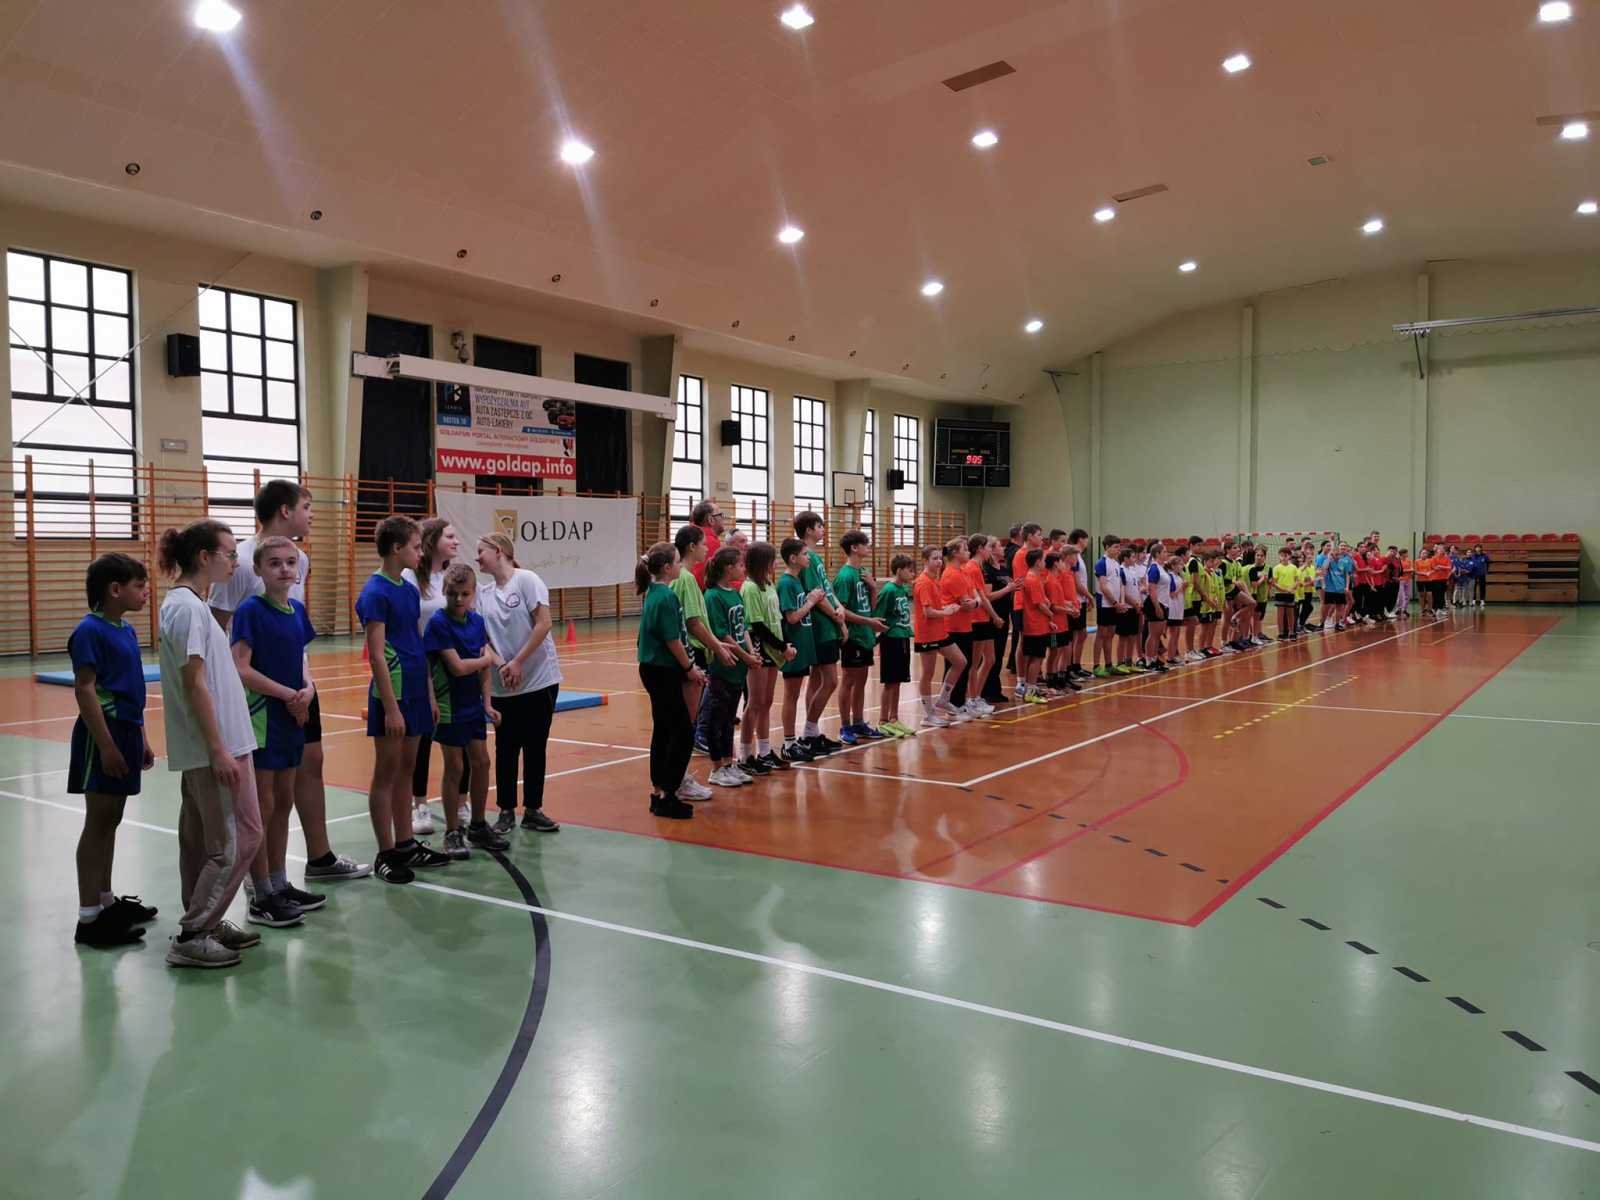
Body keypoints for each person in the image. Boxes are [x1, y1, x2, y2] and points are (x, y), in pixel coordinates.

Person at [207, 479, 367, 883]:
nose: (311, 515)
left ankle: (319, 857)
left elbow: (294, 625)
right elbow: (215, 628)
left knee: (311, 763)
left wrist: (305, 687)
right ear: (284, 511)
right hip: (258, 692)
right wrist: (229, 689)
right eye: (306, 507)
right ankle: (258, 876)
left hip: (299, 685)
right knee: (264, 790)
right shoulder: (241, 561)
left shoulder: (301, 559)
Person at [158, 520, 263, 968]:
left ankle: (206, 919)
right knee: (235, 842)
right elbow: (194, 684)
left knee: (206, 842)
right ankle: (193, 932)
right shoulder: (185, 609)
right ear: (205, 557)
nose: (236, 561)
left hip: (223, 743)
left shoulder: (194, 606)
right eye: (229, 553)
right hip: (215, 748)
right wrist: (218, 748)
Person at [228, 536, 320, 928]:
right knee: (262, 806)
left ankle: (280, 882)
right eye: (275, 563)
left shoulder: (297, 610)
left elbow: (302, 659)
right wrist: (287, 695)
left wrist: (308, 690)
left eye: (290, 562)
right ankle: (260, 893)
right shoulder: (250, 610)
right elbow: (241, 668)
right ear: (259, 570)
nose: (284, 569)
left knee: (284, 801)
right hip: (265, 716)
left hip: (292, 715)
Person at [68, 553, 158, 949]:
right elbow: (85, 689)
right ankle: (89, 919)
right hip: (101, 734)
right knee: (98, 821)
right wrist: (105, 745)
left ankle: (105, 903)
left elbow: (131, 690)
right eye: (140, 586)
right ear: (115, 589)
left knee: (112, 819)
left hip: (126, 730)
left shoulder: (126, 630)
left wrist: (141, 737)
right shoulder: (90, 631)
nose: (146, 592)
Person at [357, 516, 449, 885]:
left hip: (415, 689)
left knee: (407, 770)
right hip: (391, 695)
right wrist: (391, 707)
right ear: (397, 549)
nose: (420, 552)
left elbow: (415, 643)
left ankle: (406, 843)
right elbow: (377, 655)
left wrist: (428, 693)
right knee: (386, 772)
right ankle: (386, 852)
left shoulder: (409, 590)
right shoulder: (375, 592)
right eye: (414, 546)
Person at [475, 532, 562, 834]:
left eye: (481, 551)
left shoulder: (527, 580)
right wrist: (502, 664)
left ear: (499, 551)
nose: (477, 557)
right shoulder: (483, 595)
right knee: (506, 748)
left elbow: (544, 623)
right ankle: (506, 811)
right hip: (504, 685)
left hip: (539, 680)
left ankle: (533, 809)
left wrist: (518, 662)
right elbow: (482, 639)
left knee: (535, 746)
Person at [423, 564, 509, 859]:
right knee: (455, 767)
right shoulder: (438, 623)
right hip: (449, 705)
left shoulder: (476, 622)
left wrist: (487, 704)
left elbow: (484, 672)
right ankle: (452, 831)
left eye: (464, 594)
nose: (458, 599)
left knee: (482, 762)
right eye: (452, 593)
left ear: (473, 594)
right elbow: (458, 668)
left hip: (473, 705)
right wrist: (484, 660)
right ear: (444, 592)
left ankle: (478, 825)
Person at [402, 517, 462, 835]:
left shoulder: (454, 575)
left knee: (460, 738)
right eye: (449, 536)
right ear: (431, 540)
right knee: (422, 739)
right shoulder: (411, 577)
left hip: (454, 663)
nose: (456, 541)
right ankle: (420, 805)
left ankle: (462, 803)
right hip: (423, 664)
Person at [635, 543, 702, 819]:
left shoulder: (654, 593)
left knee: (663, 730)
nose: (680, 566)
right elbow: (672, 639)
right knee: (682, 732)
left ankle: (659, 792)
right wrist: (690, 668)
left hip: (653, 668)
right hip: (662, 670)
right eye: (676, 562)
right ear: (666, 568)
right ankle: (669, 794)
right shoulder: (666, 596)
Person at [702, 547, 763, 787]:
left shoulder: (736, 594)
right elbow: (721, 634)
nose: (743, 569)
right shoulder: (712, 596)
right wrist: (745, 656)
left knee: (729, 719)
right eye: (740, 565)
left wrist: (751, 653)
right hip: (723, 665)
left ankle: (729, 764)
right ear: (728, 568)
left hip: (739, 666)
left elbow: (743, 628)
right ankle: (716, 768)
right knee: (717, 719)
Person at [671, 524, 723, 789]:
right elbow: (694, 622)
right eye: (703, 544)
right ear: (691, 547)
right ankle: (679, 779)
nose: (706, 548)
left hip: (682, 654)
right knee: (686, 721)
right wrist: (719, 647)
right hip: (691, 653)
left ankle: (675, 777)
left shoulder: (677, 576)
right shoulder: (687, 578)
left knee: (679, 720)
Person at [738, 542, 795, 773]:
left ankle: (764, 751)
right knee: (755, 702)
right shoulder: (750, 588)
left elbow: (776, 618)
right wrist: (781, 646)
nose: (775, 564)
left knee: (767, 701)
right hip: (760, 647)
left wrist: (785, 644)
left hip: (774, 648)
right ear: (762, 562)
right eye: (772, 560)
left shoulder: (769, 585)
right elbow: (758, 625)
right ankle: (745, 755)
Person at [795, 512, 847, 757]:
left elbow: (827, 589)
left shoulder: (815, 556)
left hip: (826, 623)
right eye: (819, 525)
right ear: (808, 530)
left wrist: (840, 607)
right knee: (830, 680)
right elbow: (816, 595)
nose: (823, 529)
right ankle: (808, 730)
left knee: (817, 679)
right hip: (820, 626)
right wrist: (836, 617)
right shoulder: (808, 557)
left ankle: (812, 733)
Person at [832, 530, 888, 741]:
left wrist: (873, 589)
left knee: (862, 680)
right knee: (848, 680)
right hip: (853, 636)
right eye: (865, 544)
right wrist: (868, 622)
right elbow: (841, 611)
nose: (869, 547)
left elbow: (871, 608)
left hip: (866, 635)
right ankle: (845, 726)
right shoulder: (844, 576)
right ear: (854, 547)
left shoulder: (864, 572)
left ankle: (858, 722)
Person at [776, 536, 825, 761]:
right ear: (793, 558)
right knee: (791, 695)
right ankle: (788, 743)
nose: (809, 558)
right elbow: (792, 617)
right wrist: (811, 601)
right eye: (805, 554)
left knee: (796, 694)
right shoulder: (786, 583)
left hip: (804, 645)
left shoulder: (797, 581)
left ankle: (795, 740)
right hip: (793, 646)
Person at [912, 544, 966, 726]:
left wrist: (946, 607)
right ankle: (928, 715)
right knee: (928, 673)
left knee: (960, 661)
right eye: (934, 559)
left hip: (940, 632)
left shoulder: (935, 580)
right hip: (927, 634)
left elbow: (934, 607)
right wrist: (946, 612)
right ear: (925, 561)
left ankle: (943, 699)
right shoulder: (923, 582)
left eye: (939, 558)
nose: (938, 562)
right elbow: (927, 612)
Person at [872, 555, 916, 735]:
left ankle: (894, 718)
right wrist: (878, 637)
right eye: (909, 570)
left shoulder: (903, 589)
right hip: (891, 639)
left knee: (898, 681)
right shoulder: (889, 590)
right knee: (890, 682)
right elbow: (878, 616)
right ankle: (883, 721)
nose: (913, 574)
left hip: (903, 638)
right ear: (899, 570)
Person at [938, 535, 979, 711]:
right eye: (965, 549)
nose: (969, 552)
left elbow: (975, 596)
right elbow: (968, 603)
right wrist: (975, 602)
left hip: (965, 626)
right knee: (957, 666)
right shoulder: (952, 575)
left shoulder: (963, 572)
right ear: (955, 553)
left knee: (964, 665)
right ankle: (953, 703)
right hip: (953, 627)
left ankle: (958, 703)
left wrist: (975, 602)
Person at [983, 525, 1020, 703]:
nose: (1002, 547)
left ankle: (994, 688)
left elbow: (1009, 590)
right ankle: (986, 690)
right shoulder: (987, 570)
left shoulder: (1003, 569)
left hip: (1005, 615)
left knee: (999, 654)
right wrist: (1008, 589)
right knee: (991, 655)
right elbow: (987, 596)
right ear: (991, 549)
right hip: (992, 616)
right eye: (998, 545)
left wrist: (1015, 587)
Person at [1016, 548, 1053, 703]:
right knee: (1036, 658)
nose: (1045, 563)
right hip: (1035, 626)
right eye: (1043, 560)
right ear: (1038, 562)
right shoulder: (1032, 579)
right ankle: (1031, 690)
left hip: (1036, 624)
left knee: (1034, 657)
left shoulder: (1033, 577)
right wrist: (1051, 615)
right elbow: (1039, 604)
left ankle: (1030, 688)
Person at [1090, 535, 1123, 677]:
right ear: (1107, 547)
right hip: (1105, 604)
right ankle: (1096, 666)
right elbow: (1103, 587)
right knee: (1101, 635)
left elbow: (1119, 585)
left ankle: (1109, 665)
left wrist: (1119, 602)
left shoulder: (1116, 563)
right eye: (1115, 547)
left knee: (1110, 635)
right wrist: (1115, 603)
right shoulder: (1101, 563)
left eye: (1119, 547)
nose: (1118, 550)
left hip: (1114, 605)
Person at [687, 499, 725, 589]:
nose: (723, 518)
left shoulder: (692, 536)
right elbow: (702, 581)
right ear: (711, 519)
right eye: (721, 515)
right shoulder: (709, 542)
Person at [1271, 546, 1299, 642]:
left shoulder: (1294, 567)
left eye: (1286, 555)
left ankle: (1292, 632)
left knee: (1290, 614)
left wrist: (1290, 589)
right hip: (1280, 593)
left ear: (1289, 556)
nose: (1283, 557)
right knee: (1280, 615)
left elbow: (1297, 581)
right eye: (1282, 555)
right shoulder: (1276, 568)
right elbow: (1274, 582)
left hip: (1290, 593)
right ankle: (1281, 633)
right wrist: (1283, 589)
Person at [1471, 542, 1490, 608]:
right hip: (1474, 574)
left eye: (1479, 548)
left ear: (1481, 549)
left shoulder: (1484, 556)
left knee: (1482, 587)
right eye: (1476, 548)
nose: (1478, 549)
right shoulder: (1472, 556)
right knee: (1473, 587)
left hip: (1482, 574)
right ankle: (1473, 600)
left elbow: (1488, 563)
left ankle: (1482, 600)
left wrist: (1486, 570)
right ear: (1475, 549)